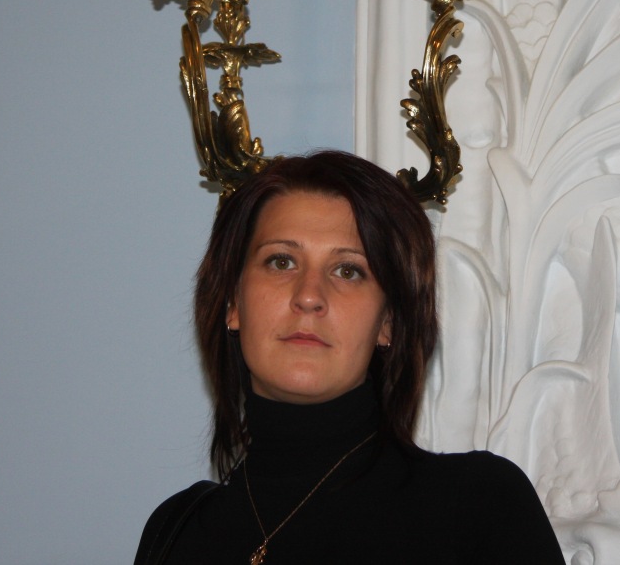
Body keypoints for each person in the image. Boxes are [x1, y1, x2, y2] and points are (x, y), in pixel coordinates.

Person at [135, 151, 565, 564]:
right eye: (281, 262)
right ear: (233, 304)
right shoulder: (175, 532)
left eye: (348, 271)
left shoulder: (478, 507)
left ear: (387, 322)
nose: (308, 296)